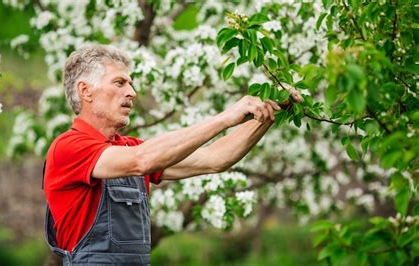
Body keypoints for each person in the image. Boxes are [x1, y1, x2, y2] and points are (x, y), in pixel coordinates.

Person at [43, 44, 302, 265]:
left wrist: (268, 114)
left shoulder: (127, 147)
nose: (132, 93)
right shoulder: (69, 147)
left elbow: (215, 159)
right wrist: (225, 118)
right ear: (85, 91)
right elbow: (140, 161)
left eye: (131, 84)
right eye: (120, 83)